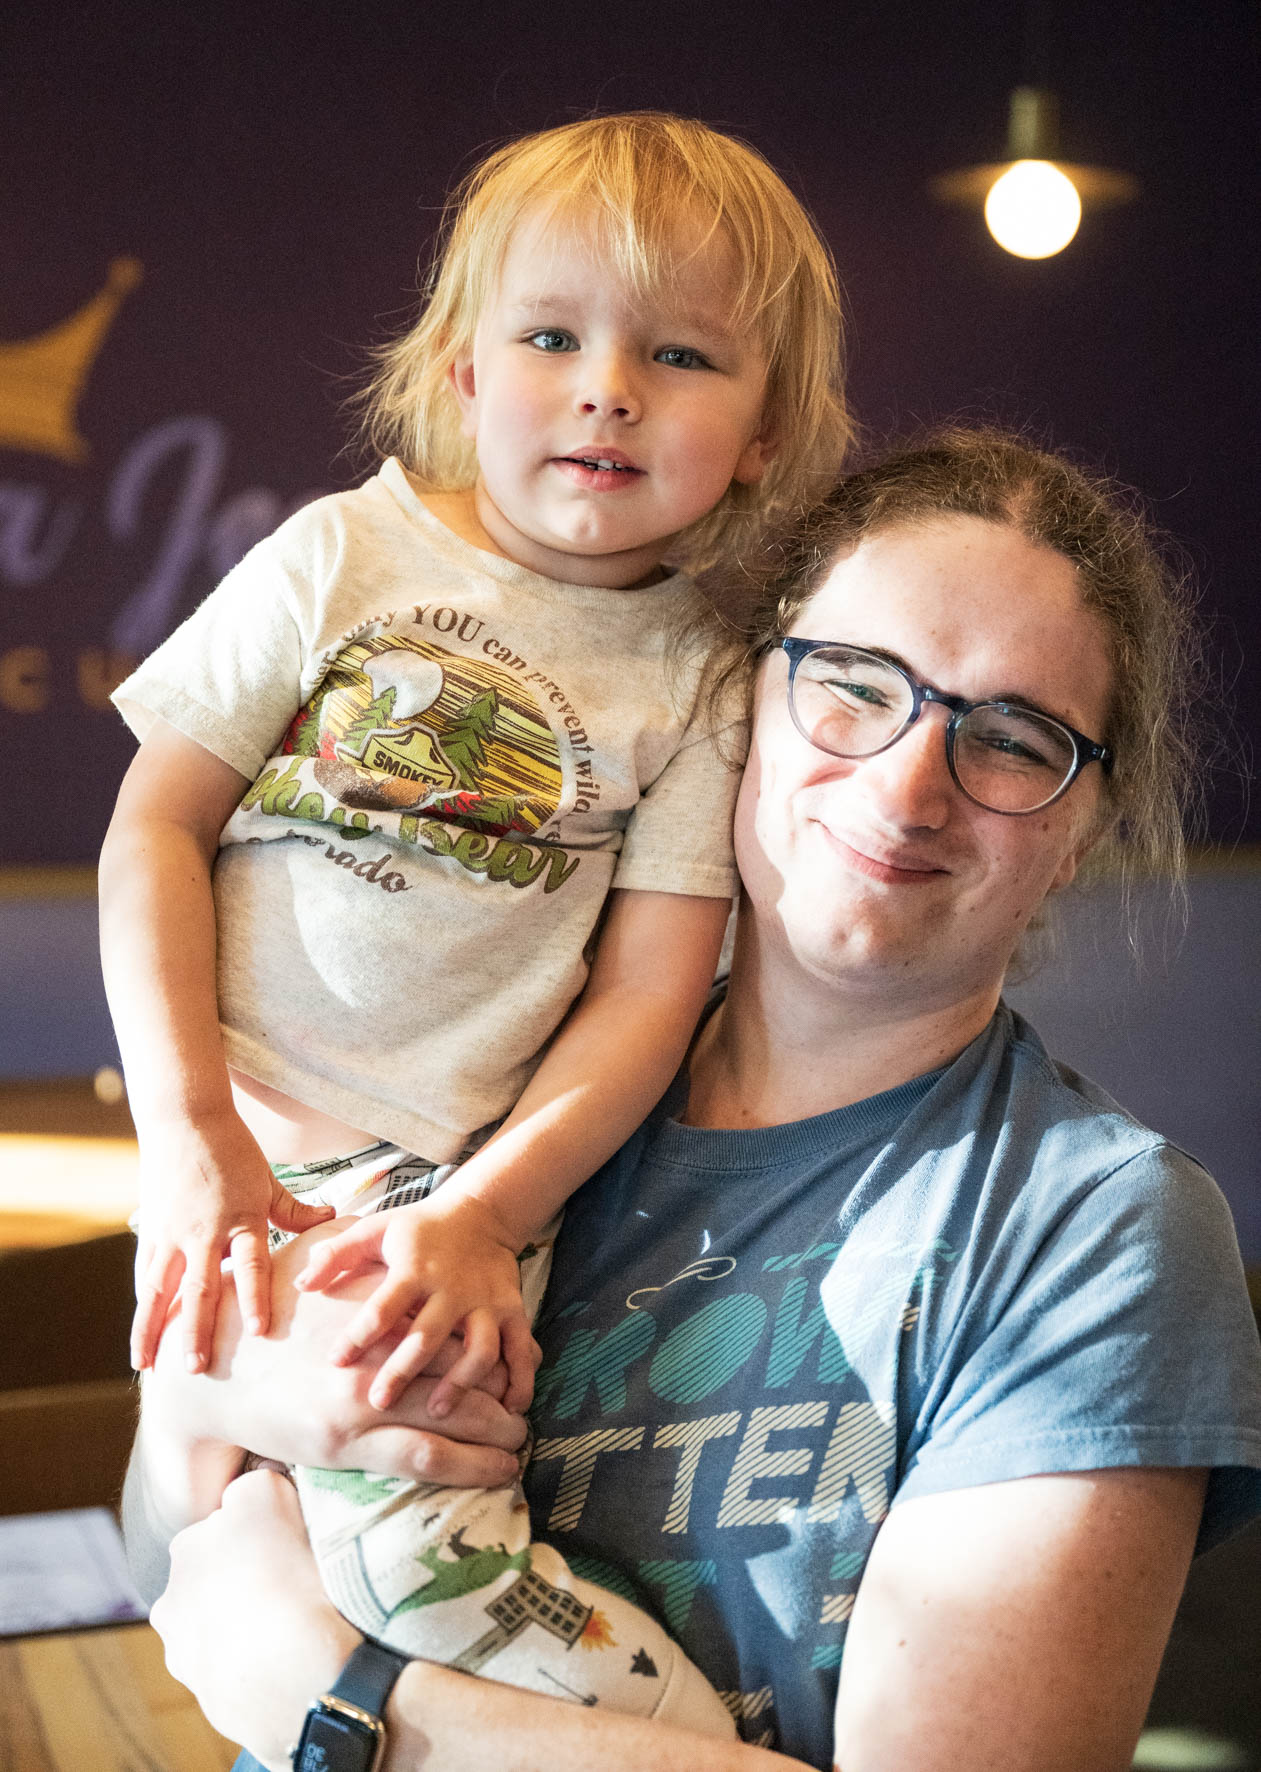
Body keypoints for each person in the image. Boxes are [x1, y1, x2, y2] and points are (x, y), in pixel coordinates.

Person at [131, 430, 1261, 1772]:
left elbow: (266, 1661)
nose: (906, 786)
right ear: (743, 705)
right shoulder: (509, 1094)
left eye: (1011, 739)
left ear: (1078, 829)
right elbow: (175, 1565)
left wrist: (355, 1708)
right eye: (853, 685)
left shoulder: (1091, 1230)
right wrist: (214, 1412)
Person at [99, 110, 848, 1730]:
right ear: (456, 371)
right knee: (231, 1496)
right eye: (553, 335)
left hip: (443, 1189)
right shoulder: (335, 556)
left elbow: (647, 997)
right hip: (240, 1142)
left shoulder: (703, 675)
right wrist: (185, 1129)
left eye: (682, 356)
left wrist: (486, 1214)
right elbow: (154, 828)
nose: (607, 387)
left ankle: (655, 1735)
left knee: (407, 1529)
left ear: (768, 431)